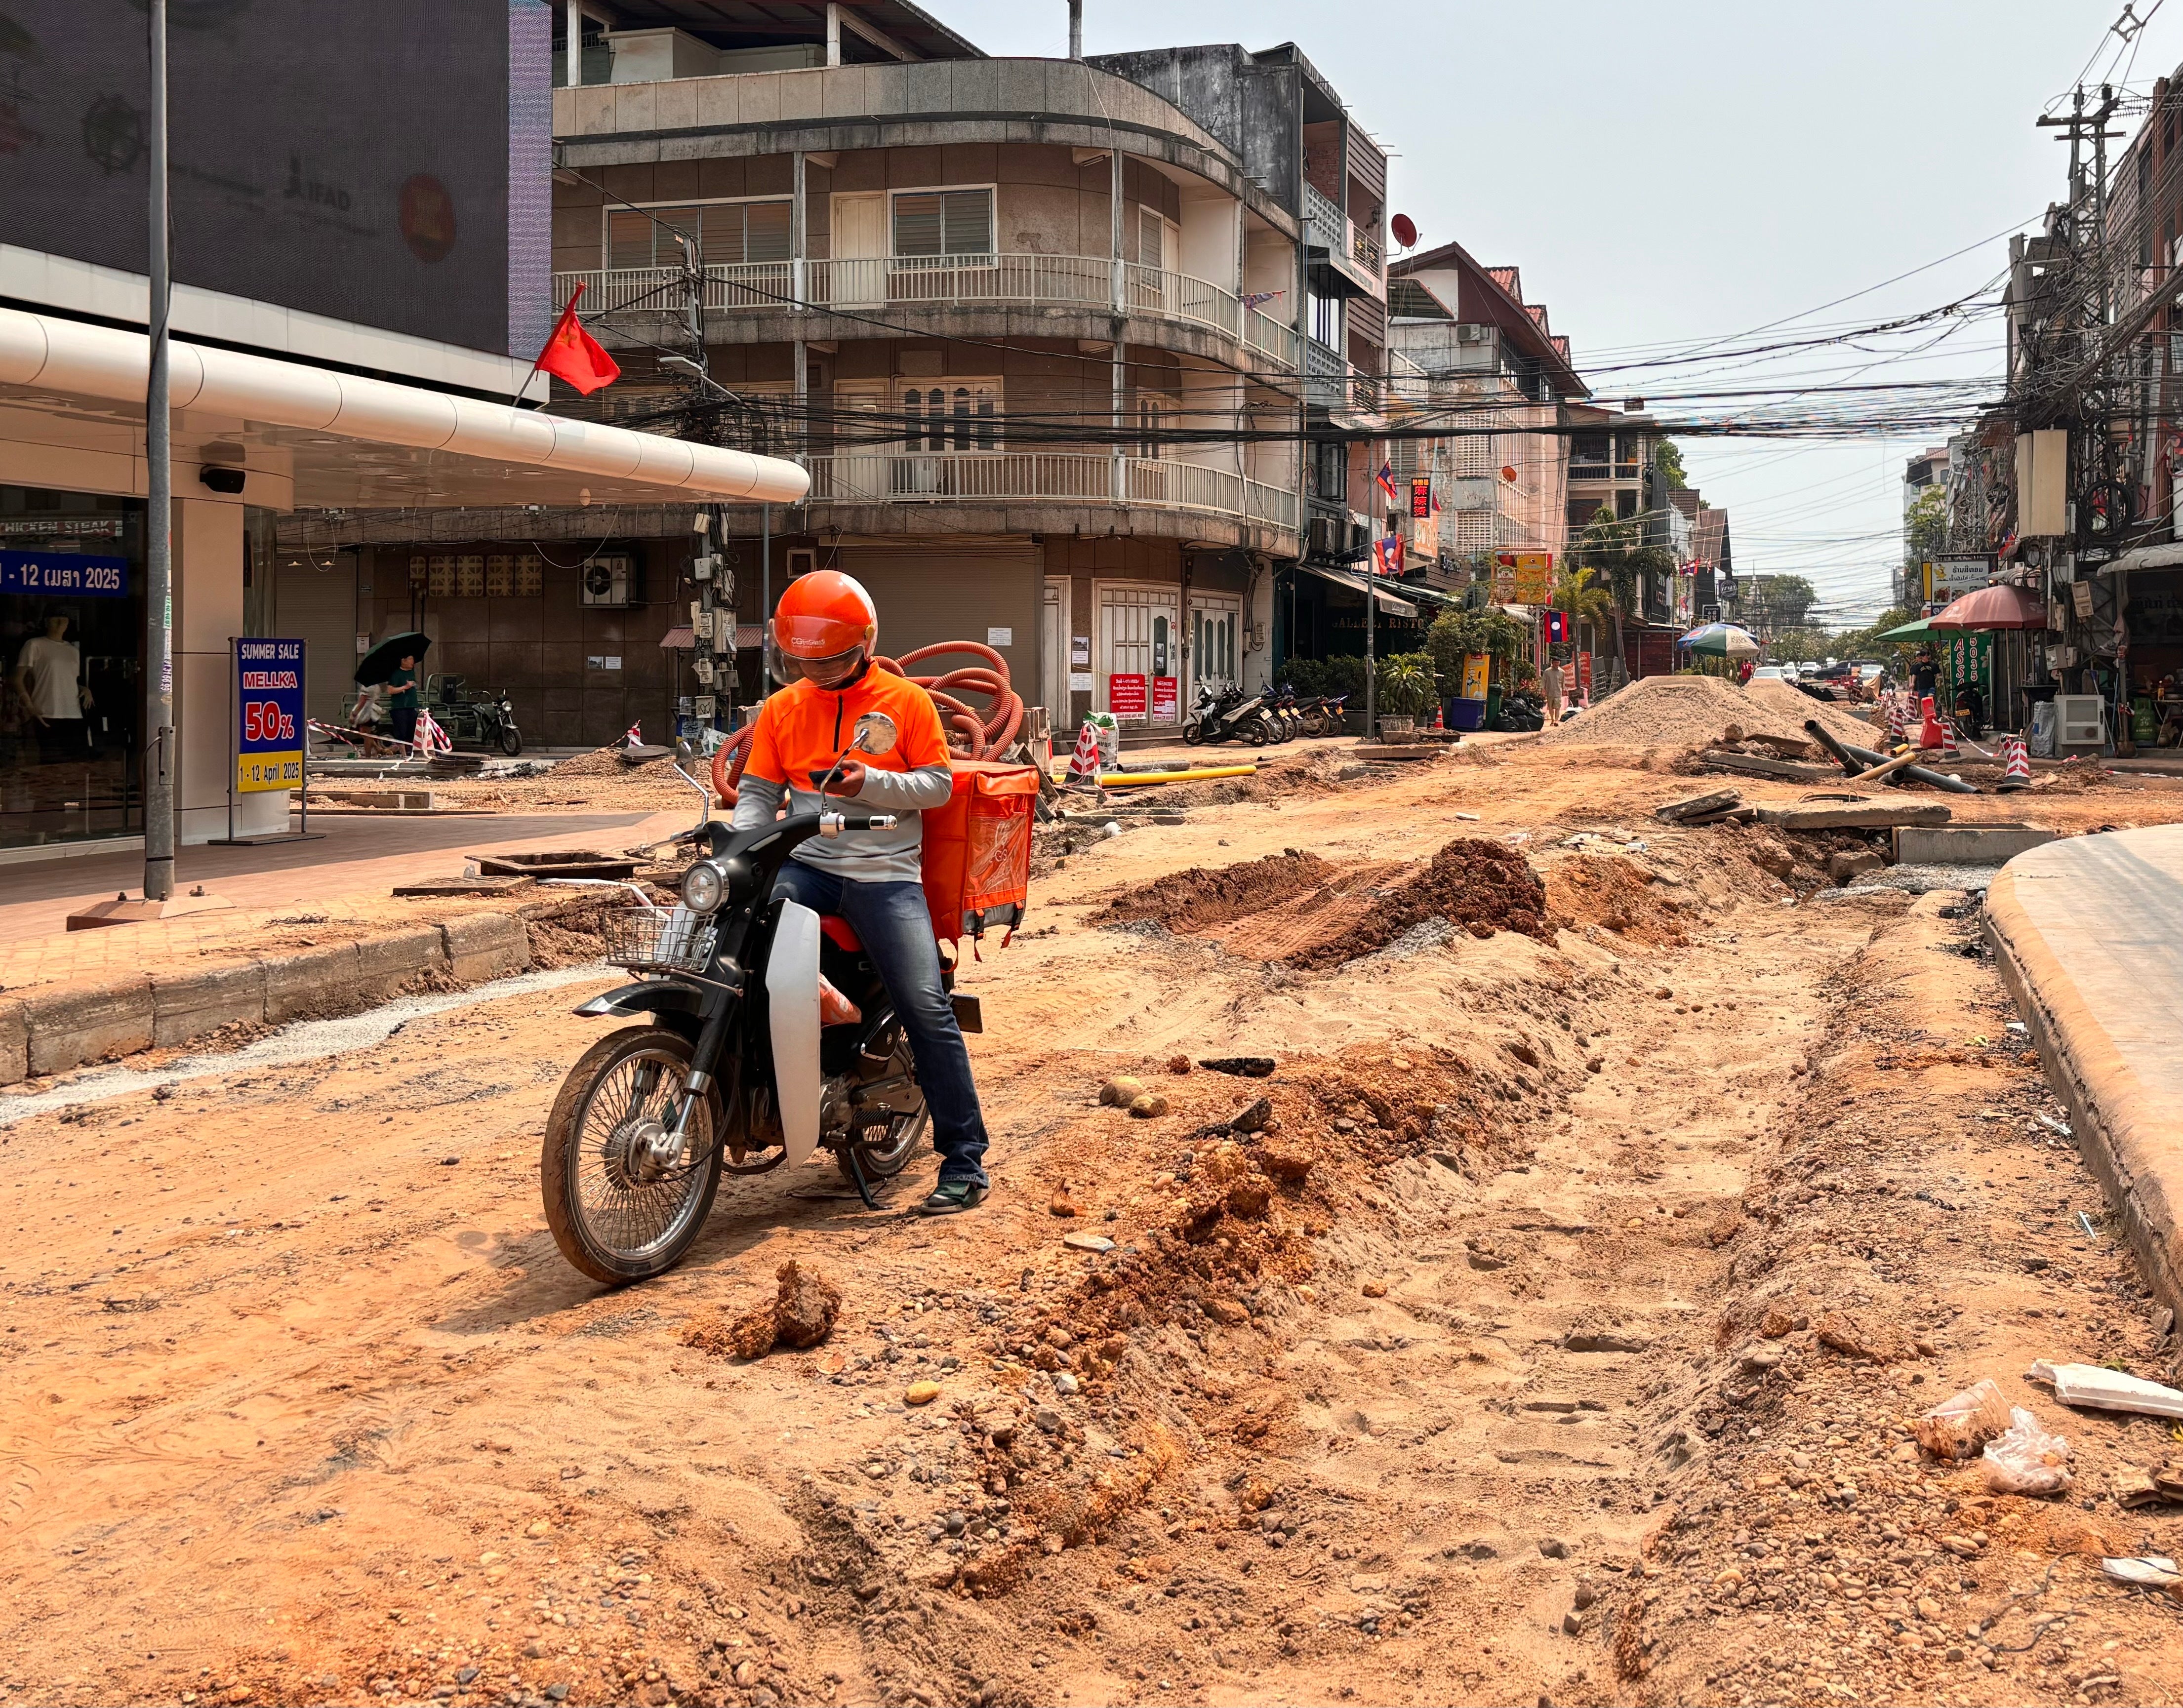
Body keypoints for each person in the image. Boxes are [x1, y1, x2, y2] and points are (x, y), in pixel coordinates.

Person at [731, 571, 992, 1215]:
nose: (818, 673)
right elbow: (760, 793)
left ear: (866, 643)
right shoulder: (783, 708)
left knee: (926, 1004)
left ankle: (965, 1160)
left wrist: (868, 783)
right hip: (810, 863)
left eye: (833, 659)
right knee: (742, 926)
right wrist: (743, 848)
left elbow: (934, 785)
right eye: (804, 662)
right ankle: (807, 1015)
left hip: (886, 875)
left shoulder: (906, 703)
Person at [13, 611, 93, 763]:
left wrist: (85, 689)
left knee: (76, 764)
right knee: (51, 762)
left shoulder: (73, 651)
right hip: (47, 712)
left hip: (73, 713)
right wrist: (30, 707)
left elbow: (68, 680)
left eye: (64, 620)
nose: (60, 623)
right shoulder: (35, 645)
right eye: (56, 619)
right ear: (46, 622)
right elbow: (18, 679)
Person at [385, 651, 423, 750]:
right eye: (410, 659)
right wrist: (405, 687)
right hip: (400, 707)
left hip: (412, 706)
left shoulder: (412, 672)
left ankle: (411, 750)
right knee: (402, 731)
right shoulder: (396, 674)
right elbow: (390, 690)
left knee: (412, 731)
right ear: (403, 661)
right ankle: (403, 753)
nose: (412, 662)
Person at [1539, 655, 1565, 727]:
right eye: (1555, 663)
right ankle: (1552, 720)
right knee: (1551, 707)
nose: (1557, 664)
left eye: (1558, 663)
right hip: (1550, 692)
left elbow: (1563, 682)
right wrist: (1543, 690)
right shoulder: (1547, 672)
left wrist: (1564, 690)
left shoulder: (1562, 672)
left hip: (1558, 692)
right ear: (1552, 663)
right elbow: (1544, 681)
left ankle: (1557, 720)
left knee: (1558, 707)